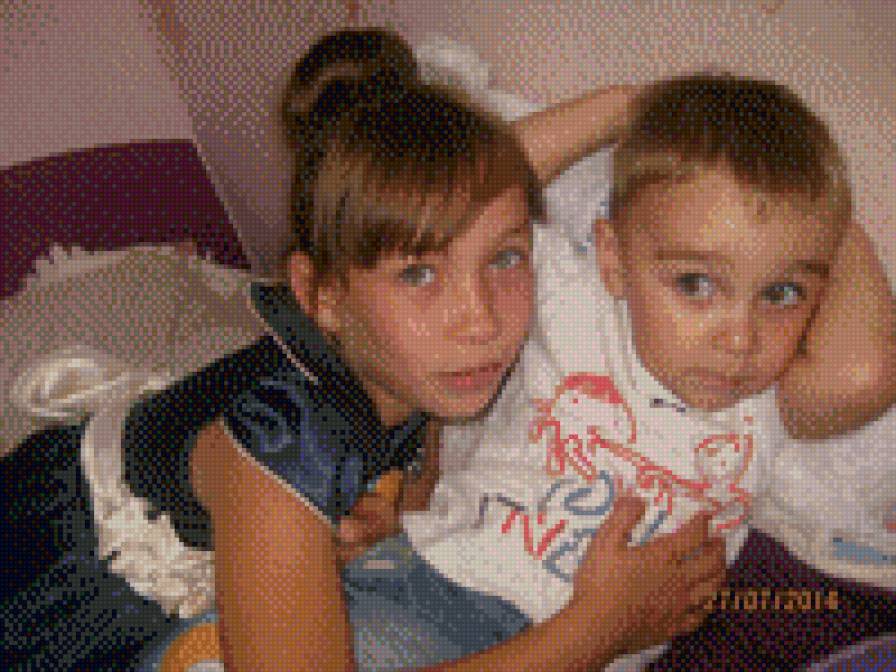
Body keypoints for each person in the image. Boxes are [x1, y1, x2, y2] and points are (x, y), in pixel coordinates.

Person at [0, 29, 718, 672]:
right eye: (419, 273)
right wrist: (595, 629)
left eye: (504, 258)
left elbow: (499, 182)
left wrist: (638, 108)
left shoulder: (415, 357)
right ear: (321, 295)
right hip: (45, 589)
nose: (481, 321)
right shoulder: (279, 439)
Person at [395, 72, 896, 670]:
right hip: (439, 590)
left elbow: (866, 374)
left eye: (781, 293)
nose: (739, 340)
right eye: (695, 283)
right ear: (613, 257)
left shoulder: (765, 401)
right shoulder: (580, 302)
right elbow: (461, 204)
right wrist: (628, 107)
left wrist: (824, 212)